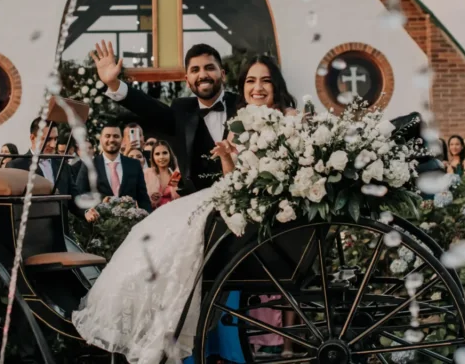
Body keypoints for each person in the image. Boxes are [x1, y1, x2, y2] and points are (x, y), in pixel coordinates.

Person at [74, 54, 297, 363]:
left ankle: (201, 345)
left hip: (252, 212)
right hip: (224, 200)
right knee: (153, 235)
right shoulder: (198, 113)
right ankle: (156, 329)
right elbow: (151, 109)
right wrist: (115, 84)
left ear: (222, 72)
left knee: (177, 234)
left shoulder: (256, 109)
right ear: (187, 77)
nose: (257, 87)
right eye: (251, 81)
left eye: (265, 80)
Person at [92, 41, 241, 193]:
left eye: (209, 68)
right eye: (195, 70)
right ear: (187, 81)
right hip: (197, 207)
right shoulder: (181, 111)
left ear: (222, 74)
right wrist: (114, 83)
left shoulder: (242, 106)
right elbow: (147, 106)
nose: (202, 75)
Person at [77, 125, 152, 221]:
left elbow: (143, 199)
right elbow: (79, 195)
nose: (112, 139)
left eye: (116, 136)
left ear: (122, 140)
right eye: (107, 136)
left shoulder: (134, 165)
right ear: (101, 139)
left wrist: (149, 221)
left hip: (130, 226)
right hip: (99, 226)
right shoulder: (88, 166)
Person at [8, 119, 73, 195]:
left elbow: (75, 199)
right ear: (32, 138)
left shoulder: (63, 165)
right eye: (47, 139)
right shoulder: (16, 166)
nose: (53, 145)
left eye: (55, 139)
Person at [143, 140, 181, 209]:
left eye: (165, 153)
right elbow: (141, 200)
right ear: (153, 157)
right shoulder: (147, 174)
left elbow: (182, 198)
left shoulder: (176, 173)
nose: (161, 157)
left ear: (170, 154)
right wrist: (151, 198)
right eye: (157, 154)